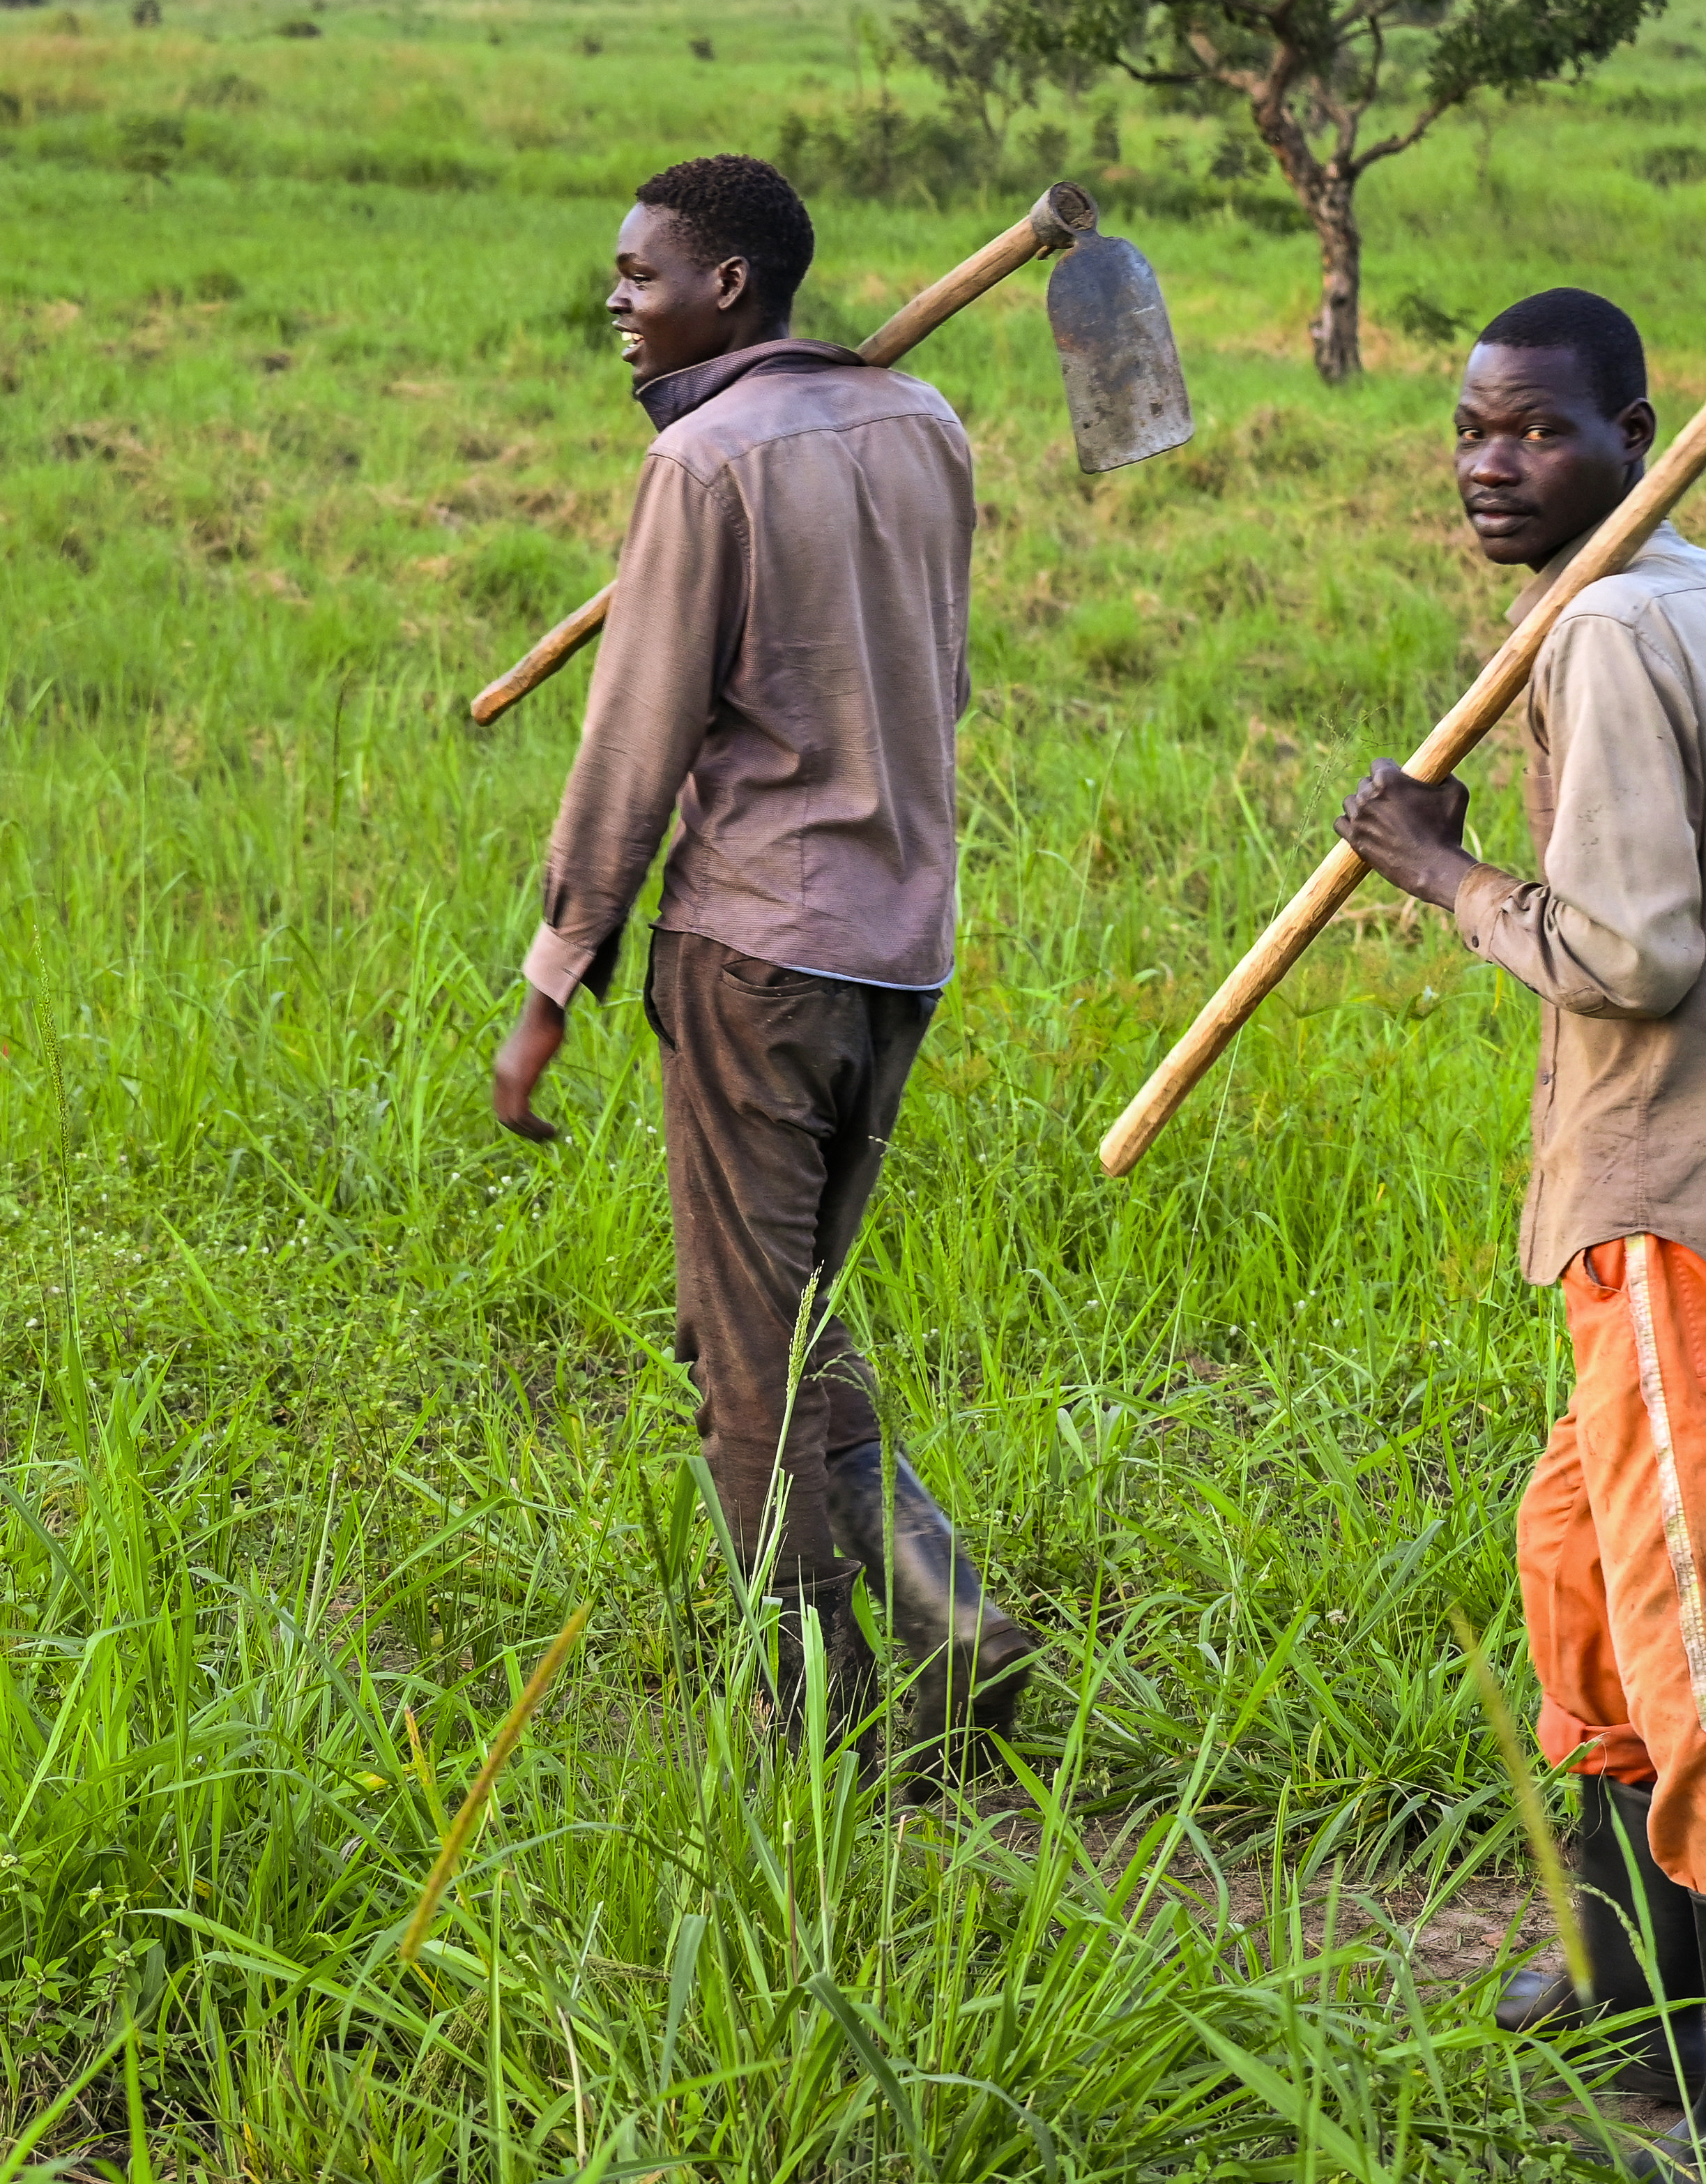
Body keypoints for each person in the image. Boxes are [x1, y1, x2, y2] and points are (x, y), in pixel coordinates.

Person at [1334, 287, 1706, 2181]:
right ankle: (1629, 1973)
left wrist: (1439, 870)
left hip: (1680, 1203)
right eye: (1474, 430)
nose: (1495, 467)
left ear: (1641, 432)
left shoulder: (1607, 629)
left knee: (1697, 1627)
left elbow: (1631, 953)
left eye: (1542, 434)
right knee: (1573, 1551)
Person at [488, 153, 1037, 1773]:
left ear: (729, 287)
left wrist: (548, 983)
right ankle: (944, 1615)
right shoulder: (922, 426)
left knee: (749, 1358)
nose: (617, 301)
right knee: (784, 1318)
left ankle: (822, 1715)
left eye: (641, 274)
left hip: (755, 952)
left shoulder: (707, 468)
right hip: (900, 945)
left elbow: (630, 747)